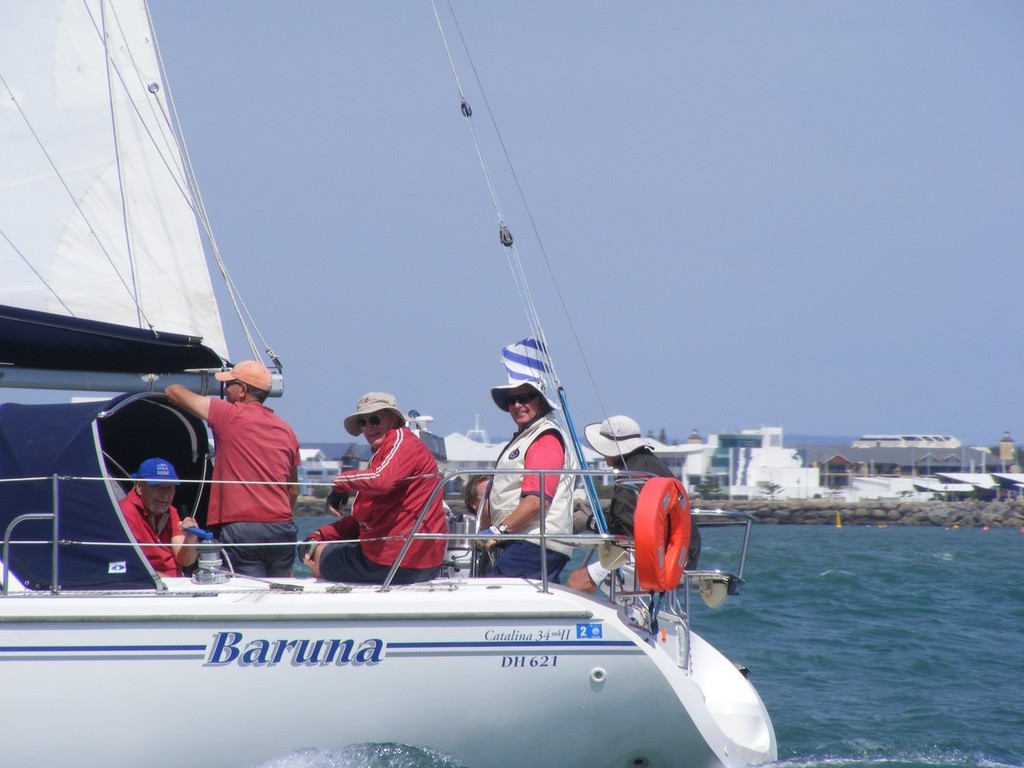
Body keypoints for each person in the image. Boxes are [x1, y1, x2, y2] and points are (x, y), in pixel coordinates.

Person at [165, 360, 300, 577]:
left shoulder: (229, 414)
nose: (225, 390)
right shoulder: (286, 429)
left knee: (247, 594)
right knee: (278, 594)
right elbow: (293, 490)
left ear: (243, 391)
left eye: (229, 385)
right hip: (282, 529)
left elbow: (173, 391)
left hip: (243, 529)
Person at [302, 392, 447, 584]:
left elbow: (381, 480)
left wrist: (341, 484)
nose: (369, 427)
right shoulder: (389, 453)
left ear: (394, 419)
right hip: (415, 562)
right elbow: (367, 517)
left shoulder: (401, 442)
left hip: (393, 562)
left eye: (375, 419)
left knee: (315, 556)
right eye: (363, 423)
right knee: (314, 545)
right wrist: (320, 534)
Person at [565, 415, 702, 593]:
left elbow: (626, 528)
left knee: (578, 580)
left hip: (655, 559)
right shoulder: (650, 463)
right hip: (683, 557)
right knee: (604, 580)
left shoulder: (630, 475)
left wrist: (591, 522)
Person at [481, 378, 573, 580]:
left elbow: (536, 501)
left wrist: (499, 531)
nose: (516, 405)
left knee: (494, 598)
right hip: (525, 541)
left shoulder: (544, 438)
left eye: (524, 398)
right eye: (511, 400)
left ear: (540, 400)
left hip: (534, 542)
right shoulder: (531, 435)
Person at [119, 457, 199, 578]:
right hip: (147, 587)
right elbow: (125, 566)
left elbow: (185, 560)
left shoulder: (170, 511)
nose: (165, 495)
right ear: (139, 487)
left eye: (170, 487)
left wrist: (190, 539)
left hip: (175, 586)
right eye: (158, 487)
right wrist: (165, 581)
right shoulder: (123, 513)